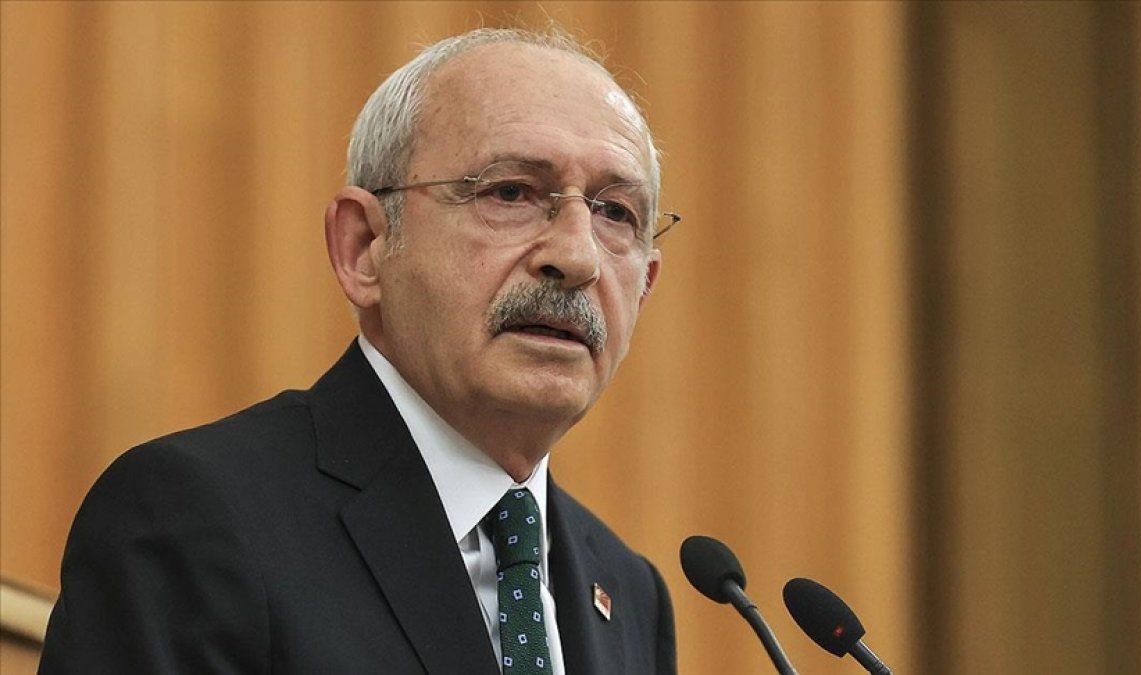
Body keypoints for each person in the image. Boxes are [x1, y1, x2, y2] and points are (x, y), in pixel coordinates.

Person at [39, 28, 678, 674]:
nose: (576, 256)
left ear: (645, 286)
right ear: (364, 248)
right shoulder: (195, 518)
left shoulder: (629, 591)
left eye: (615, 213)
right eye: (510, 192)